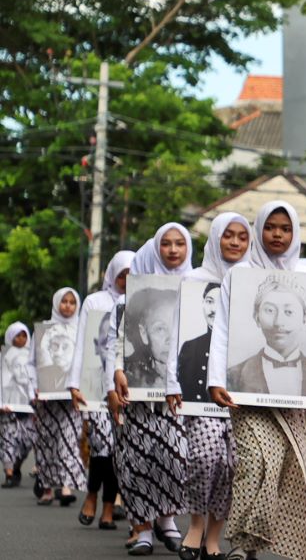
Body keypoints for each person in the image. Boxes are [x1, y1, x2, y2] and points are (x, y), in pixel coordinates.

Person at [208, 201, 306, 560]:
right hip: (247, 394)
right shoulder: (238, 277)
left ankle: (253, 542)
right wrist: (216, 379)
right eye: (270, 226)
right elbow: (222, 329)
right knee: (255, 462)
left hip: (296, 399)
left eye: (285, 229)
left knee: (287, 470)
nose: (277, 234)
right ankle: (241, 543)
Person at [166, 212, 251, 560]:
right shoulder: (193, 280)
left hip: (242, 394)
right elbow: (176, 335)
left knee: (231, 466)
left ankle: (215, 536)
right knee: (202, 460)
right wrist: (172, 382)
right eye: (227, 235)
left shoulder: (251, 278)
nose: (233, 242)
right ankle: (196, 525)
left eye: (241, 236)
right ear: (215, 237)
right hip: (200, 400)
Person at [108, 223, 192, 555]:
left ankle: (167, 520)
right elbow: (114, 343)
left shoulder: (196, 287)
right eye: (166, 244)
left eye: (179, 244)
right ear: (155, 249)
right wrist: (115, 372)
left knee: (174, 458)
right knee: (138, 460)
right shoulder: (131, 296)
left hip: (177, 396)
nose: (173, 250)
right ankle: (141, 529)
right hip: (138, 396)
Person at [68, 250, 134, 530]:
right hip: (95, 386)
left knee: (119, 449)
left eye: (132, 274)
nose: (126, 279)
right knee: (101, 446)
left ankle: (109, 507)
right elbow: (83, 342)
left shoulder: (138, 301)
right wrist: (74, 383)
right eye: (122, 274)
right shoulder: (95, 301)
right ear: (113, 274)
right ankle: (92, 496)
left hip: (127, 387)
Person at [226, 272, 306, 396]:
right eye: (269, 310)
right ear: (257, 318)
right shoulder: (234, 375)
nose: (279, 322)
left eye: (289, 312)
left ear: (304, 319)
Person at [34, 287, 87, 507]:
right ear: (56, 303)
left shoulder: (81, 330)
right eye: (63, 301)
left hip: (71, 398)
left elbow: (87, 361)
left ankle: (66, 486)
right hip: (46, 399)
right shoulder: (44, 330)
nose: (67, 306)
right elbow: (32, 364)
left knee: (68, 439)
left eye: (71, 302)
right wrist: (34, 388)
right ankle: (47, 487)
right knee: (47, 440)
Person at [0, 322, 36, 489]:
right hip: (7, 409)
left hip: (27, 408)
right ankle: (8, 474)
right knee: (8, 440)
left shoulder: (32, 358)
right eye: (17, 335)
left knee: (27, 441)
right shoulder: (3, 357)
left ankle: (15, 468)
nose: (21, 339)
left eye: (24, 335)